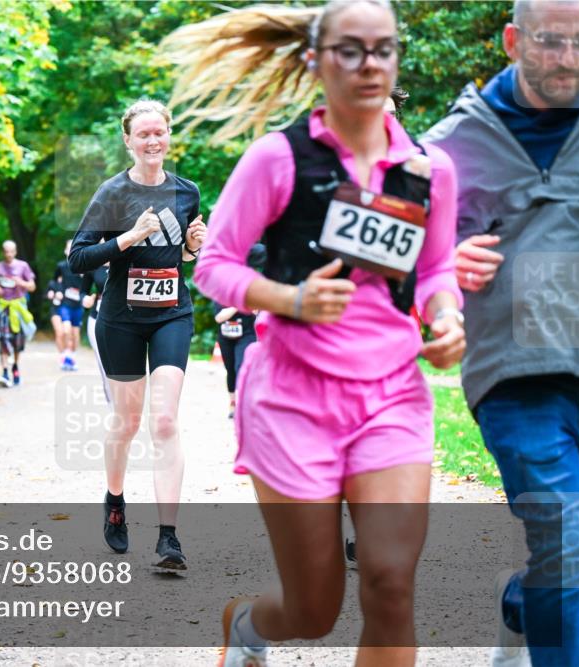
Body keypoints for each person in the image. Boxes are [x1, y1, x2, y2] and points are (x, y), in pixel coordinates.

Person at [166, 1, 466, 663]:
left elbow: (438, 267)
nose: (369, 65)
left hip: (390, 395)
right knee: (313, 607)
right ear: (316, 60)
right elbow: (214, 265)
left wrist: (446, 317)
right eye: (350, 50)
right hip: (292, 397)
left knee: (390, 583)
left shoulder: (426, 171)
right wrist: (291, 297)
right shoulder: (277, 159)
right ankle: (247, 625)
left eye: (383, 49)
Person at [422, 1, 579, 665]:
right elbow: (381, 268)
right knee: (566, 541)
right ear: (514, 40)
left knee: (563, 555)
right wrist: (441, 263)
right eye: (551, 44)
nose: (569, 60)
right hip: (516, 375)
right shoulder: (446, 148)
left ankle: (522, 603)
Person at [68, 99, 206, 570]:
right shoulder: (112, 193)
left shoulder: (187, 192)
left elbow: (183, 258)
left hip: (172, 314)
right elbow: (79, 259)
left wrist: (191, 248)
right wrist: (126, 238)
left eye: (159, 133)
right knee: (126, 423)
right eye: (143, 134)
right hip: (121, 319)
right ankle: (115, 501)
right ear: (128, 140)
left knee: (164, 421)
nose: (152, 141)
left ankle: (169, 538)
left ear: (169, 137)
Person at [215, 243, 267, 424]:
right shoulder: (221, 287)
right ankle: (233, 403)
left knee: (241, 367)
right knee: (230, 371)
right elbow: (219, 317)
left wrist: (256, 308)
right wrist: (239, 303)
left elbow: (259, 309)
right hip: (226, 335)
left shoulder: (255, 281)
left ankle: (246, 405)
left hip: (246, 334)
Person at [0, 240, 36, 387]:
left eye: (11, 251)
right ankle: (5, 372)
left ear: (15, 252)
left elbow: (32, 286)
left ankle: (15, 367)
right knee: (3, 339)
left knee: (18, 341)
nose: (9, 254)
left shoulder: (23, 266)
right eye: (6, 251)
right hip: (4, 307)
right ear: (3, 252)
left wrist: (21, 282)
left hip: (18, 307)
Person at [81, 262, 111, 404]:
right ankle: (113, 410)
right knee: (105, 367)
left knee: (126, 368)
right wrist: (85, 299)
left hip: (125, 321)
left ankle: (131, 412)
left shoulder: (129, 260)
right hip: (97, 319)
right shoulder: (94, 264)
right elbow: (83, 291)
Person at [54, 240, 86, 371]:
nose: (71, 250)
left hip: (78, 306)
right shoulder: (61, 266)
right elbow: (54, 280)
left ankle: (71, 357)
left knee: (75, 334)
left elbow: (88, 284)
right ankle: (65, 355)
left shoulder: (83, 266)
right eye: (69, 248)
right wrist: (57, 291)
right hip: (65, 304)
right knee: (66, 330)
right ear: (65, 251)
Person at [44, 277, 66, 365]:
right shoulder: (52, 283)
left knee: (66, 333)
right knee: (59, 332)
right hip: (55, 310)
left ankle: (68, 354)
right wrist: (49, 294)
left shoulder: (70, 281)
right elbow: (45, 295)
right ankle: (62, 356)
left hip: (67, 309)